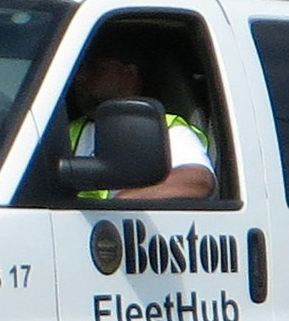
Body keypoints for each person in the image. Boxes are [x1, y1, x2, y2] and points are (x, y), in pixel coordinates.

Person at [68, 36, 216, 201]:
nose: (80, 77)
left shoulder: (164, 128)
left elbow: (197, 181)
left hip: (120, 223)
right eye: (79, 69)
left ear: (130, 73)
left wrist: (119, 204)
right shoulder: (69, 130)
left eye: (95, 68)